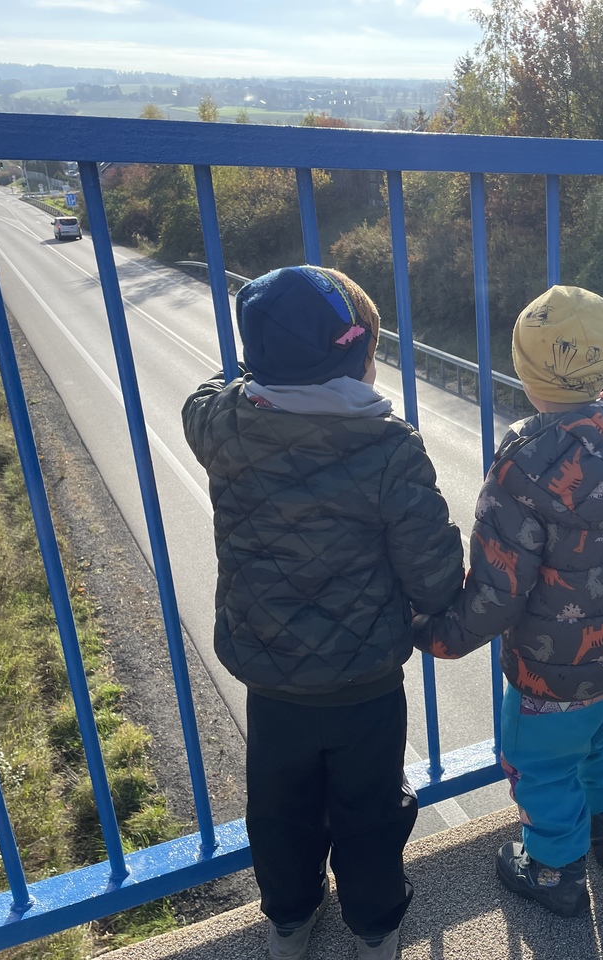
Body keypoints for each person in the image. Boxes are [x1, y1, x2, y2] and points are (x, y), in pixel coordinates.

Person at [182, 265, 463, 960]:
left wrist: (253, 371)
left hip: (271, 677)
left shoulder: (225, 424)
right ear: (360, 357)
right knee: (370, 811)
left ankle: (289, 919)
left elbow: (204, 394)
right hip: (365, 683)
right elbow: (433, 576)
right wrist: (437, 611)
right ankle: (374, 926)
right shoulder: (390, 446)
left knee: (280, 810)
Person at [414, 285, 603, 918]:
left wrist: (440, 634)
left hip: (550, 670)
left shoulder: (523, 464)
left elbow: (498, 588)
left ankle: (554, 869)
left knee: (541, 765)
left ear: (522, 371)